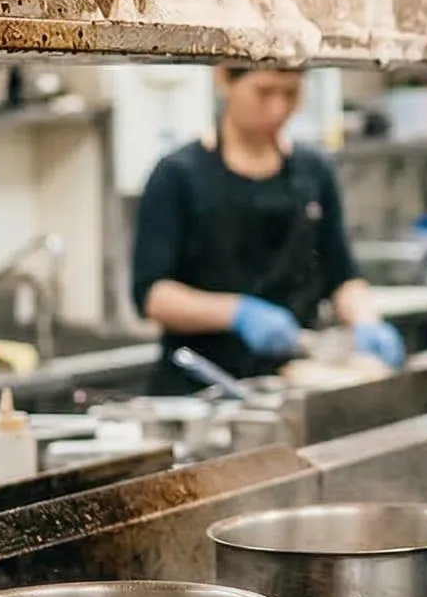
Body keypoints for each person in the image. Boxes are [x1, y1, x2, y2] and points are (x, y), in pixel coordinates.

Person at [132, 65, 404, 392]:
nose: (278, 108)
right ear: (224, 79)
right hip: (200, 386)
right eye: (264, 92)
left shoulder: (313, 172)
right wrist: (237, 313)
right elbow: (152, 295)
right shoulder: (178, 175)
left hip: (290, 384)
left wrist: (366, 321)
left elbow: (342, 275)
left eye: (290, 93)